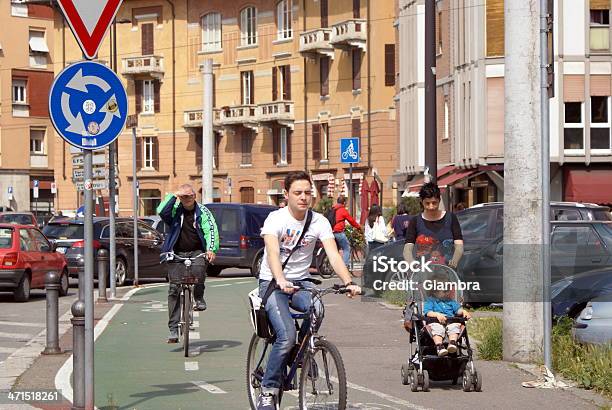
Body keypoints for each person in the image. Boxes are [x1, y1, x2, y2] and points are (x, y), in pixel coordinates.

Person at [256, 171, 361, 410]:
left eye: (307, 192)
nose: (303, 197)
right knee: (285, 336)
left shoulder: (319, 221)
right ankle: (269, 390)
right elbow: (272, 252)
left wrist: (348, 281)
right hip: (272, 282)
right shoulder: (276, 219)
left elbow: (333, 254)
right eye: (298, 193)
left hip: (301, 281)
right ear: (286, 195)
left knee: (317, 309)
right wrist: (280, 279)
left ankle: (301, 352)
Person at [157, 184, 219, 343]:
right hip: (176, 252)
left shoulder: (203, 212)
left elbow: (211, 230)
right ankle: (173, 329)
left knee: (199, 273)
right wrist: (174, 195)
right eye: (184, 197)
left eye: (190, 196)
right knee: (174, 289)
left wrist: (211, 249)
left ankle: (199, 297)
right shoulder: (175, 210)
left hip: (197, 251)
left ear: (195, 197)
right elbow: (161, 211)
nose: (187, 199)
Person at [403, 182, 464, 270]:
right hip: (423, 274)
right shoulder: (415, 221)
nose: (431, 207)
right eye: (427, 203)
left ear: (439, 200)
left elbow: (459, 245)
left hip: (448, 273)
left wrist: (454, 261)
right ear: (421, 202)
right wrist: (412, 263)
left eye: (434, 203)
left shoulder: (451, 218)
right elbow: (407, 249)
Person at [424, 273, 472, 356]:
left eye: (448, 289)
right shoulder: (431, 301)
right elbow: (428, 312)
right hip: (436, 322)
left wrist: (463, 311)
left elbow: (457, 310)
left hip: (450, 321)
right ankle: (439, 346)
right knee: (437, 330)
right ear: (435, 292)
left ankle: (452, 343)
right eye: (445, 290)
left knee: (455, 328)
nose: (448, 292)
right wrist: (437, 314)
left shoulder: (450, 301)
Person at [330, 196, 361, 268]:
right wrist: (358, 227)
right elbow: (351, 221)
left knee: (335, 249)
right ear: (344, 203)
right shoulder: (342, 210)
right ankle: (344, 266)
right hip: (338, 232)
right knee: (347, 248)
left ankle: (333, 265)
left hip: (331, 232)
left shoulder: (333, 209)